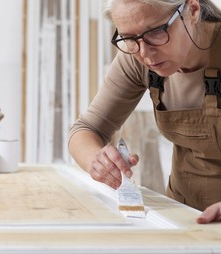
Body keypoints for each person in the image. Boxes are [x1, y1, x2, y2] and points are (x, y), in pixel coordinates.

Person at [68, 0, 221, 223]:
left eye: (156, 32)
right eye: (129, 38)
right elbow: (86, 129)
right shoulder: (137, 59)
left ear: (193, 10)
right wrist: (96, 160)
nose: (145, 53)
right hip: (183, 217)